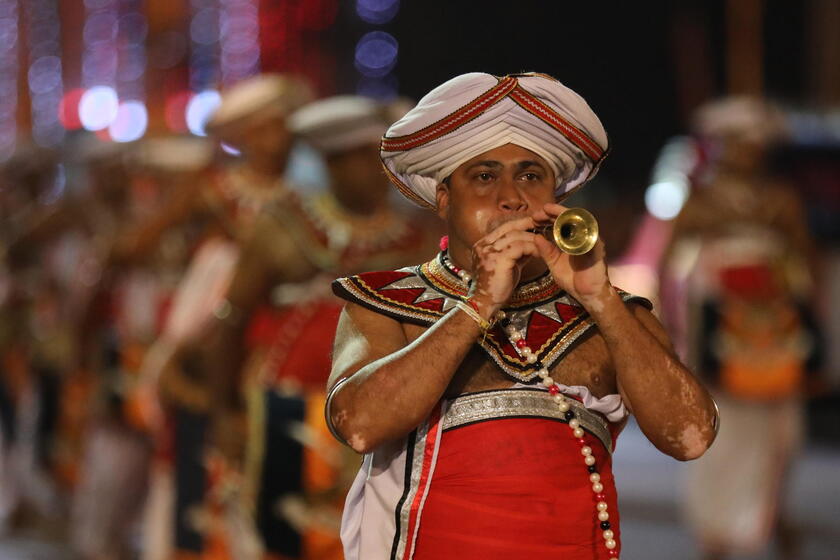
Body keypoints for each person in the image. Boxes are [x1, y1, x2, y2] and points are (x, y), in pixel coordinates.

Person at [326, 72, 719, 560]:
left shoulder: (610, 313)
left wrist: (601, 301)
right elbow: (359, 424)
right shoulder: (385, 302)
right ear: (445, 197)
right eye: (485, 176)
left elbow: (692, 436)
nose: (512, 198)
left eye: (531, 176)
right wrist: (480, 303)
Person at [198, 94, 438, 560]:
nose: (379, 174)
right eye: (365, 161)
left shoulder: (418, 237)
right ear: (332, 164)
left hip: (382, 412)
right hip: (282, 408)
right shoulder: (283, 225)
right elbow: (232, 320)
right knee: (282, 537)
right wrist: (223, 411)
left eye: (383, 161)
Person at [661, 97, 822, 560]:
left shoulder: (781, 200)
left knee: (781, 433)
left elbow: (805, 264)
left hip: (774, 332)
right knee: (721, 432)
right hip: (718, 332)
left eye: (752, 143)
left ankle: (772, 515)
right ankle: (717, 533)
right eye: (736, 142)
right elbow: (670, 265)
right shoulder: (701, 200)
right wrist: (671, 328)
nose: (745, 152)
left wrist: (805, 317)